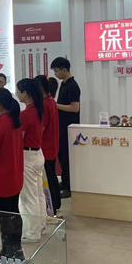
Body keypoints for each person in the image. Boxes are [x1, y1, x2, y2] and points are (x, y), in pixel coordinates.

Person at [0, 88, 25, 259]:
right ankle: (16, 249)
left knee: (4, 218)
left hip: (1, 180)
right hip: (14, 177)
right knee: (14, 213)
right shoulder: (14, 120)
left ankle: (9, 252)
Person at [15, 78, 46, 243]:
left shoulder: (25, 114)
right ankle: (40, 226)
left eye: (18, 91)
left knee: (28, 197)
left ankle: (32, 233)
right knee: (38, 194)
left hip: (27, 156)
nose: (16, 94)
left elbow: (18, 138)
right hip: (37, 154)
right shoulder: (38, 110)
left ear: (25, 93)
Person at [51, 57, 81, 199]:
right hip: (62, 126)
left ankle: (69, 186)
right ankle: (64, 182)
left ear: (64, 69)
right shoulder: (63, 84)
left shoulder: (73, 86)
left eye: (57, 71)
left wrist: (55, 105)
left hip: (69, 127)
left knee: (67, 157)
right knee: (62, 156)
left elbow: (75, 108)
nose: (56, 74)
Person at [34, 75, 61, 217]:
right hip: (52, 146)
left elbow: (41, 127)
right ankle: (56, 206)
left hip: (45, 146)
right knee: (52, 177)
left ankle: (51, 209)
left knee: (48, 180)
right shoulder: (51, 101)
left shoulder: (44, 104)